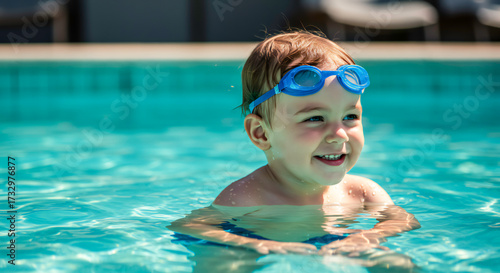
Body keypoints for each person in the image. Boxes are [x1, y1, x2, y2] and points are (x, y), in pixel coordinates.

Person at [168, 30, 420, 261]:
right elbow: (189, 226)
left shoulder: (362, 191)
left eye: (350, 117)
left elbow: (404, 221)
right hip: (262, 245)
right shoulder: (248, 196)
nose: (339, 134)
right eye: (315, 118)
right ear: (261, 134)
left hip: (344, 244)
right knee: (222, 262)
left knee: (395, 263)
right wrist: (251, 245)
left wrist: (370, 236)